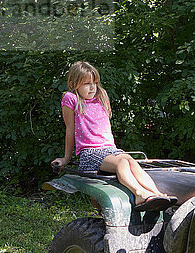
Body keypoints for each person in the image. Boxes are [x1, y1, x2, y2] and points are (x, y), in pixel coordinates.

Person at [51, 61, 175, 212]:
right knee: (122, 162)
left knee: (131, 161)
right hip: (90, 152)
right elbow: (70, 129)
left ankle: (156, 194)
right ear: (73, 84)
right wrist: (66, 159)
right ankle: (139, 193)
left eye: (94, 83)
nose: (92, 87)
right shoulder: (71, 98)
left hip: (110, 150)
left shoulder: (100, 97)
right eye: (86, 83)